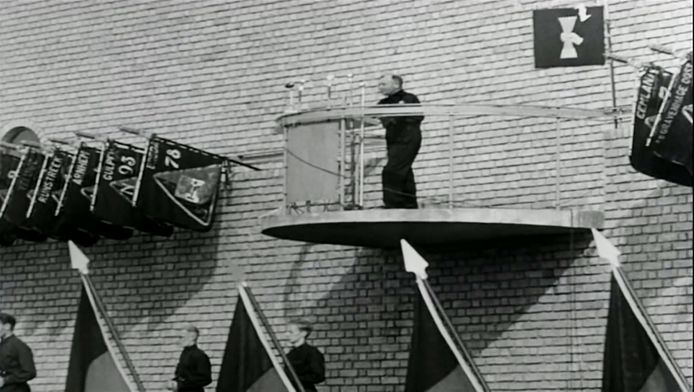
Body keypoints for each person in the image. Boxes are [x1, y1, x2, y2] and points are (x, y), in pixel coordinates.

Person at [377, 74, 424, 209]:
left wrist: (395, 116)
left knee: (391, 170)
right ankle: (409, 204)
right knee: (404, 170)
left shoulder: (409, 98)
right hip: (393, 141)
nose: (379, 88)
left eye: (383, 84)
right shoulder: (383, 103)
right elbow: (375, 117)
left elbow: (418, 116)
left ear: (396, 84)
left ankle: (393, 204)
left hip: (407, 139)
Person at [166, 325, 212, 392]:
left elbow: (205, 379)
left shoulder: (199, 355)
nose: (179, 340)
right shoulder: (184, 354)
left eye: (181, 337)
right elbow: (181, 374)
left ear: (193, 337)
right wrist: (174, 382)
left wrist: (182, 384)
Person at [285, 319, 325, 392]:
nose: (286, 334)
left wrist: (295, 378)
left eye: (291, 332)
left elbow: (318, 376)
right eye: (286, 332)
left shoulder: (312, 353)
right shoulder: (289, 354)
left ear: (303, 333)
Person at [0, 313, 36, 392]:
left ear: (7, 326)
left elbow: (30, 372)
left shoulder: (19, 346)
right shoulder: (2, 345)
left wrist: (6, 380)